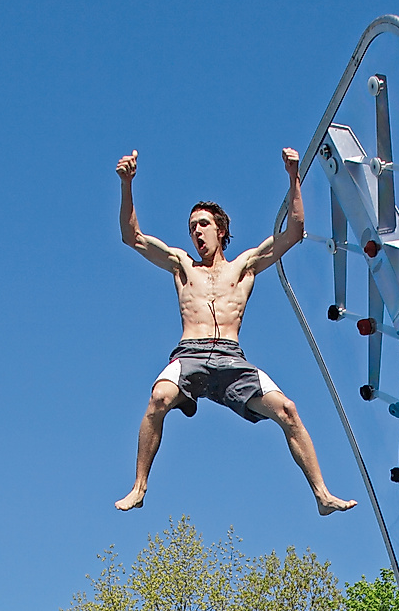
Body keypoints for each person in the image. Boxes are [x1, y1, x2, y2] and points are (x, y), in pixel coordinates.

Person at [113, 148, 357, 516]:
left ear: (220, 230)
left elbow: (294, 232)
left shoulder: (245, 266)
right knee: (159, 399)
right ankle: (139, 486)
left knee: (288, 411)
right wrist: (127, 184)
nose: (196, 231)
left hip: (231, 358)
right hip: (190, 353)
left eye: (203, 224)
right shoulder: (182, 265)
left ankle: (322, 494)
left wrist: (293, 177)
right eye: (192, 226)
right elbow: (132, 237)